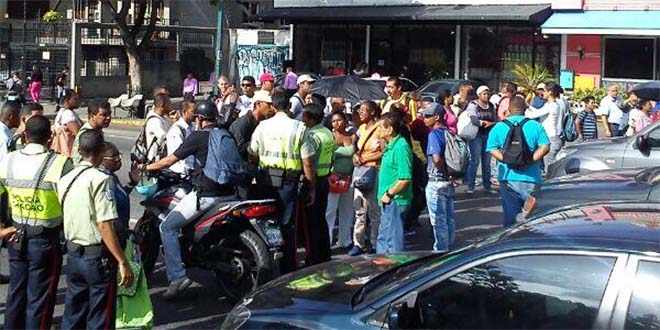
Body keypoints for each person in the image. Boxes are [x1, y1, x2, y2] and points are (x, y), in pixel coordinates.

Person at [141, 101, 242, 298]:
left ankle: (177, 277)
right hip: (230, 193)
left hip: (207, 195)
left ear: (200, 119)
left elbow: (171, 160)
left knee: (167, 227)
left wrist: (148, 167)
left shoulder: (198, 136)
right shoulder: (225, 134)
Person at [0, 115, 72, 329]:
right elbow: (71, 201)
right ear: (50, 137)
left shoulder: (8, 160)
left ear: (24, 135)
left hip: (16, 236)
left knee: (16, 293)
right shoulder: (59, 163)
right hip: (45, 240)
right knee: (39, 300)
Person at [59, 130, 134, 330]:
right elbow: (104, 224)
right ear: (100, 151)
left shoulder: (67, 177)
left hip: (74, 253)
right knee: (100, 315)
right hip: (96, 256)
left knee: (74, 312)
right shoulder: (100, 179)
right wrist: (122, 261)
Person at [249, 88, 316, 273]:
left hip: (266, 181)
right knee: (287, 226)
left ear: (274, 105)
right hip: (288, 183)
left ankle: (266, 264)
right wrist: (311, 188)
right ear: (288, 106)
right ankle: (287, 268)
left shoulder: (262, 127)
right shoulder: (300, 128)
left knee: (267, 222)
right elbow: (308, 162)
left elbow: (252, 154)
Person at [487, 96, 550, 227]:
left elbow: (491, 148)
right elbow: (545, 146)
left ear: (509, 109)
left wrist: (506, 159)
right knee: (532, 219)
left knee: (511, 218)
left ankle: (510, 242)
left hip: (508, 178)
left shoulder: (499, 127)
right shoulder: (535, 126)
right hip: (532, 177)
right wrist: (530, 159)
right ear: (525, 109)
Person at [348, 101, 386, 256]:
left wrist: (367, 158)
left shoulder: (380, 129)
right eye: (359, 110)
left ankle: (375, 242)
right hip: (360, 172)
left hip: (374, 171)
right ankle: (358, 243)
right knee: (359, 210)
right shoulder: (360, 129)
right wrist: (356, 156)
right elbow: (356, 149)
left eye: (364, 110)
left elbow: (384, 151)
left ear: (372, 112)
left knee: (374, 211)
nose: (360, 113)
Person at [300, 103, 335, 265]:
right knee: (321, 220)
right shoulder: (327, 132)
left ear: (311, 118)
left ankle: (313, 258)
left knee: (312, 222)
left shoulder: (312, 135)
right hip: (324, 179)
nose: (302, 119)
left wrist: (310, 186)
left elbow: (310, 162)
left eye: (305, 116)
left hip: (314, 181)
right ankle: (324, 254)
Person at [377, 111, 413, 253]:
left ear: (390, 129)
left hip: (395, 201)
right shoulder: (391, 145)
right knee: (384, 237)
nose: (378, 130)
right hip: (388, 201)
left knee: (392, 241)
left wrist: (389, 193)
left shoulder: (401, 147)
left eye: (381, 127)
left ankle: (393, 269)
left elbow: (405, 178)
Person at [422, 103, 455, 252]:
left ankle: (441, 251)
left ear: (437, 117)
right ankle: (451, 248)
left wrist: (444, 171)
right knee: (449, 218)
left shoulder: (433, 134)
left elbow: (436, 159)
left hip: (436, 182)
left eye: (427, 116)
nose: (424, 119)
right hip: (449, 182)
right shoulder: (449, 132)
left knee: (438, 221)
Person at [325, 111, 356, 250]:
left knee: (348, 210)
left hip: (349, 177)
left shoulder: (352, 136)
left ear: (345, 121)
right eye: (333, 121)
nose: (336, 123)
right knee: (330, 211)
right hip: (334, 178)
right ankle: (327, 240)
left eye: (339, 120)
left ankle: (345, 240)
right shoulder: (330, 137)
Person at [100, 142, 138, 247]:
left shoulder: (113, 177)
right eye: (114, 157)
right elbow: (109, 212)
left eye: (119, 155)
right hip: (113, 237)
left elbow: (121, 197)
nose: (118, 159)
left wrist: (132, 183)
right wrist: (123, 232)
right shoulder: (105, 180)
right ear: (102, 159)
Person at [464, 86, 497, 194]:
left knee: (486, 162)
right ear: (479, 94)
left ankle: (487, 186)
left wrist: (491, 124)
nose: (486, 96)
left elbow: (495, 120)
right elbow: (473, 119)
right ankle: (470, 186)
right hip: (476, 135)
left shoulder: (491, 106)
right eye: (484, 94)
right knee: (475, 161)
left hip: (488, 135)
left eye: (488, 94)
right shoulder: (473, 105)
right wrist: (481, 123)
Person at [525, 82, 563, 170]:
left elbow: (532, 115)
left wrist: (524, 108)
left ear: (550, 92)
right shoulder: (549, 105)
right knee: (548, 167)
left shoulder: (552, 106)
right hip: (550, 138)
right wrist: (528, 105)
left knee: (549, 168)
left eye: (545, 91)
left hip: (551, 139)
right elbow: (537, 111)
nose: (543, 93)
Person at [230, 90, 274, 162]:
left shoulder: (261, 123)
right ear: (258, 104)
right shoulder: (242, 124)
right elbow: (238, 150)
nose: (272, 108)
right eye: (269, 104)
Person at [71, 100, 112, 164]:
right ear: (92, 116)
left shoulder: (97, 130)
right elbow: (77, 161)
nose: (108, 118)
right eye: (104, 115)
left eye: (109, 114)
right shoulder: (86, 135)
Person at [167, 100, 196, 175]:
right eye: (193, 111)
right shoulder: (176, 130)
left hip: (191, 169)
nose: (195, 114)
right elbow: (178, 153)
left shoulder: (192, 127)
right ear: (184, 112)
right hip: (180, 171)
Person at [51, 89, 82, 157]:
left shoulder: (63, 112)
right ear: (67, 101)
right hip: (69, 153)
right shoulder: (68, 114)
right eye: (75, 99)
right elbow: (79, 134)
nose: (78, 101)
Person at [144, 93, 173, 162]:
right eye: (169, 104)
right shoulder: (154, 121)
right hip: (155, 160)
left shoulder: (164, 117)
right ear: (162, 105)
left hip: (163, 158)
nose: (171, 106)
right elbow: (166, 138)